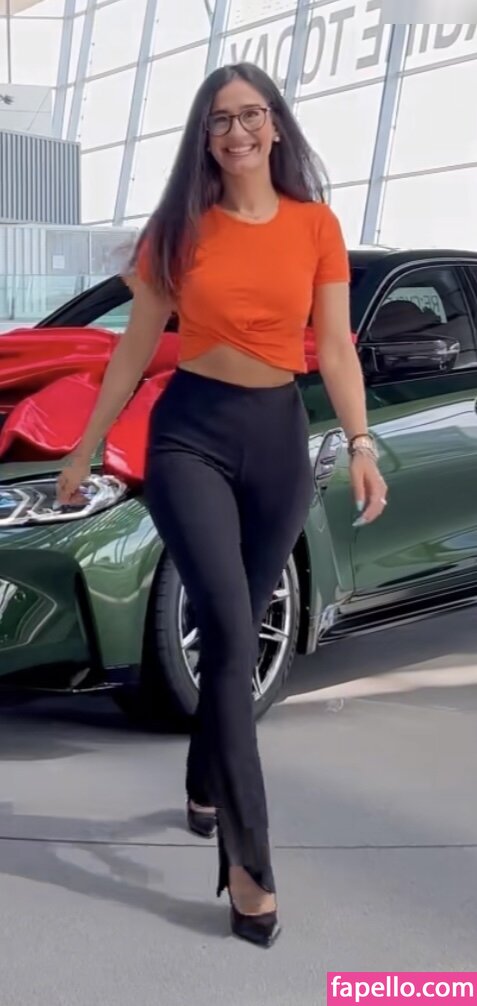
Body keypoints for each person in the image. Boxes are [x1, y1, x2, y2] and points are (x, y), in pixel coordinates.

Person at [56, 62, 388, 947]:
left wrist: (360, 445)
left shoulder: (315, 225)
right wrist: (86, 445)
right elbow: (134, 348)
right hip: (189, 438)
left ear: (274, 125)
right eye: (218, 121)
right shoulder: (176, 231)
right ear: (203, 139)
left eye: (249, 115)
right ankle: (249, 868)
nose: (235, 132)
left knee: (236, 640)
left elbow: (333, 347)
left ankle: (205, 779)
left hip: (276, 439)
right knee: (232, 637)